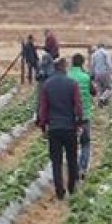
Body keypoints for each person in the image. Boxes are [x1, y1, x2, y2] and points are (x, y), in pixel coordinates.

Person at [38, 58, 84, 200]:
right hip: (69, 127)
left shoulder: (47, 85)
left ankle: (59, 191)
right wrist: (79, 123)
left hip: (54, 128)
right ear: (64, 68)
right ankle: (71, 186)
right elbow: (78, 106)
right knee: (72, 158)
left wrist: (43, 125)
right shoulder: (72, 84)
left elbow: (43, 108)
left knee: (56, 161)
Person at [67, 53, 96, 178]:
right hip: (84, 115)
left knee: (72, 143)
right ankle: (82, 168)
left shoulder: (67, 76)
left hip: (70, 116)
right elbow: (93, 92)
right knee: (85, 142)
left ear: (72, 63)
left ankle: (72, 168)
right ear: (82, 63)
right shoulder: (85, 77)